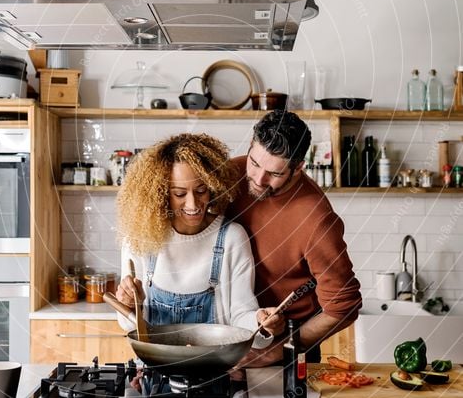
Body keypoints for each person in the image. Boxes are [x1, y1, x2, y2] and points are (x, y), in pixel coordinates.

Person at [115, 132, 282, 343]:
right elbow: (130, 325)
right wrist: (129, 305)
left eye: (201, 190)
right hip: (154, 369)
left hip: (215, 368)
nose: (193, 205)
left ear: (212, 186)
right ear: (161, 193)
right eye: (179, 194)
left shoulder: (232, 238)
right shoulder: (140, 236)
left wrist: (260, 323)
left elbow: (241, 317)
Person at [228, 110, 362, 364]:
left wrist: (275, 354)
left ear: (298, 167)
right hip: (228, 335)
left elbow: (344, 307)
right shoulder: (230, 174)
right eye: (254, 162)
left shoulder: (316, 219)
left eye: (275, 174)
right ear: (250, 147)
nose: (258, 179)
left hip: (285, 348)